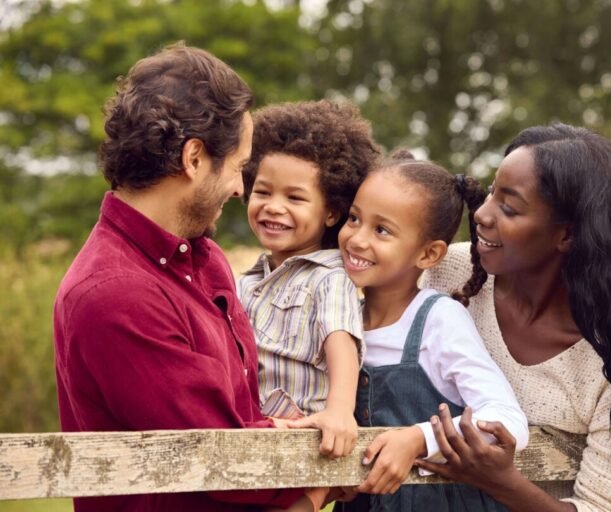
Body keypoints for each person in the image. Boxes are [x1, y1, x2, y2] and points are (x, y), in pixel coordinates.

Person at [53, 43, 304, 511]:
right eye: (237, 167)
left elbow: (239, 419)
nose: (238, 188)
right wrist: (314, 468)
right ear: (193, 158)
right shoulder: (114, 294)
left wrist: (282, 436)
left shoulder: (203, 258)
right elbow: (224, 458)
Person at [416, 123, 611, 512]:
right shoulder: (447, 272)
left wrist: (503, 483)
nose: (482, 213)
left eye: (509, 207)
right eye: (492, 192)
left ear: (568, 235)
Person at [334, 151, 530, 512]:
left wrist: (418, 439)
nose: (357, 239)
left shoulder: (437, 319)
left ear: (428, 254)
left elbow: (508, 419)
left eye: (381, 230)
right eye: (354, 218)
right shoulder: (342, 322)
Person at [237, 100, 380, 512]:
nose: (273, 206)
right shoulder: (248, 280)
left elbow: (342, 341)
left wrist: (339, 411)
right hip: (254, 435)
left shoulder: (328, 276)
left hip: (306, 440)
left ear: (331, 210)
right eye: (262, 191)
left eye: (295, 198)